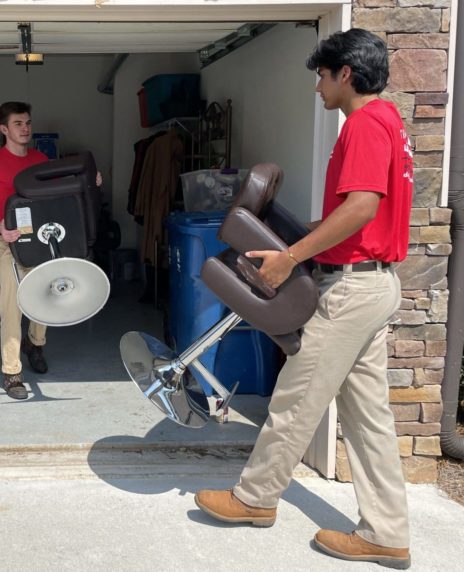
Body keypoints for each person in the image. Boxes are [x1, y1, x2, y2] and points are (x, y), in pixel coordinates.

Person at [194, 29, 413, 569]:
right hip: (377, 281)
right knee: (368, 417)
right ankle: (386, 533)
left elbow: (361, 207)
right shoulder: (389, 122)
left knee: (296, 397)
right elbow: (360, 216)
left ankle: (253, 499)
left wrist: (290, 258)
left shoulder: (364, 124)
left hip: (356, 288)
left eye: (321, 75)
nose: (317, 87)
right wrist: (293, 236)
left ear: (344, 73)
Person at [0, 102, 50, 400]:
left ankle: (35, 344)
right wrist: (0, 229)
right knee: (11, 305)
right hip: (8, 242)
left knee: (43, 299)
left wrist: (91, 181)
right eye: (18, 123)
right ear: (4, 129)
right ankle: (12, 371)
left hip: (39, 240)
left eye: (28, 122)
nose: (25, 128)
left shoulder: (41, 159)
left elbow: (58, 193)